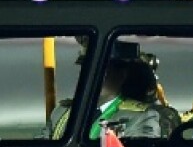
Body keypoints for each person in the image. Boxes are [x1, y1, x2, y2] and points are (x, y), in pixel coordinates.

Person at [44, 42, 179, 139]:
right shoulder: (62, 112)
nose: (91, 76)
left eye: (101, 70)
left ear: (121, 75)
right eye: (86, 69)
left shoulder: (143, 116)